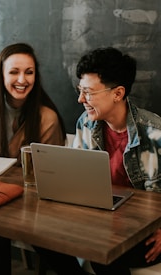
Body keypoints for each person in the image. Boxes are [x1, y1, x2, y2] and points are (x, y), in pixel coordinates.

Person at [0, 42, 73, 275]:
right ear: (1, 75)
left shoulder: (46, 118)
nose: (22, 79)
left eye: (29, 72)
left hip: (31, 207)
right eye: (14, 72)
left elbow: (52, 178)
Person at [73, 47, 161, 274]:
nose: (81, 99)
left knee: (104, 250)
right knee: (45, 237)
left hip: (146, 231)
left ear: (118, 94)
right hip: (102, 222)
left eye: (89, 92)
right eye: (80, 90)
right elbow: (77, 182)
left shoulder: (155, 132)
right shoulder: (86, 123)